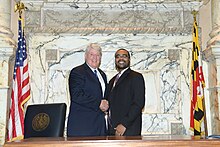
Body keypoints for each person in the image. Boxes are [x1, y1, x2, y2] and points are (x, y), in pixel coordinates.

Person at [67, 43, 109, 137]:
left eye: (97, 55)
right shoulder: (77, 72)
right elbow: (76, 95)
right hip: (82, 126)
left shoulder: (102, 75)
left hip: (100, 126)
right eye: (91, 54)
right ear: (85, 56)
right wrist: (99, 103)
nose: (95, 58)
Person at [107, 48, 145, 136]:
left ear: (129, 59)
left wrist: (124, 124)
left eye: (124, 56)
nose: (121, 59)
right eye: (118, 56)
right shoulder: (112, 81)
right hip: (112, 130)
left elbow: (138, 103)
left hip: (128, 129)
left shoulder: (136, 77)